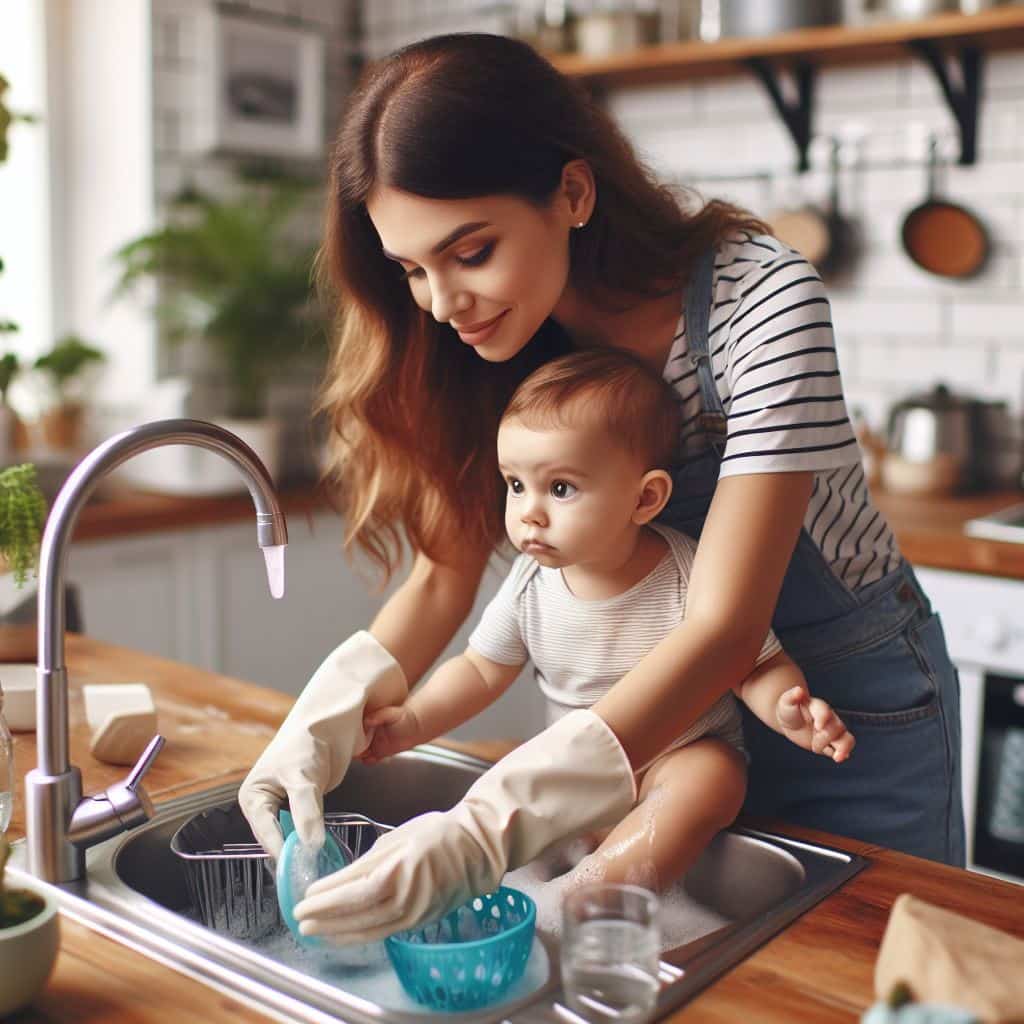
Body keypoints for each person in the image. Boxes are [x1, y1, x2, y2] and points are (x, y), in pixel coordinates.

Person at [238, 32, 965, 946]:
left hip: (841, 715)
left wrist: (484, 826)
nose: (439, 303)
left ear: (573, 194)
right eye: (410, 269)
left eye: (470, 251)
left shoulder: (763, 304)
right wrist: (325, 716)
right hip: (637, 752)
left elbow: (725, 627)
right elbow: (441, 580)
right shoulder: (493, 342)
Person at [357, 347, 855, 898]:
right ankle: (542, 891)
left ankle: (589, 894)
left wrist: (786, 706)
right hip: (579, 777)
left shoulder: (689, 573)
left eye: (561, 488)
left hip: (678, 756)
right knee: (523, 780)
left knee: (713, 776)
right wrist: (413, 722)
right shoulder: (530, 583)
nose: (529, 512)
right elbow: (478, 671)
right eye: (515, 485)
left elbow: (752, 663)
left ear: (645, 499)